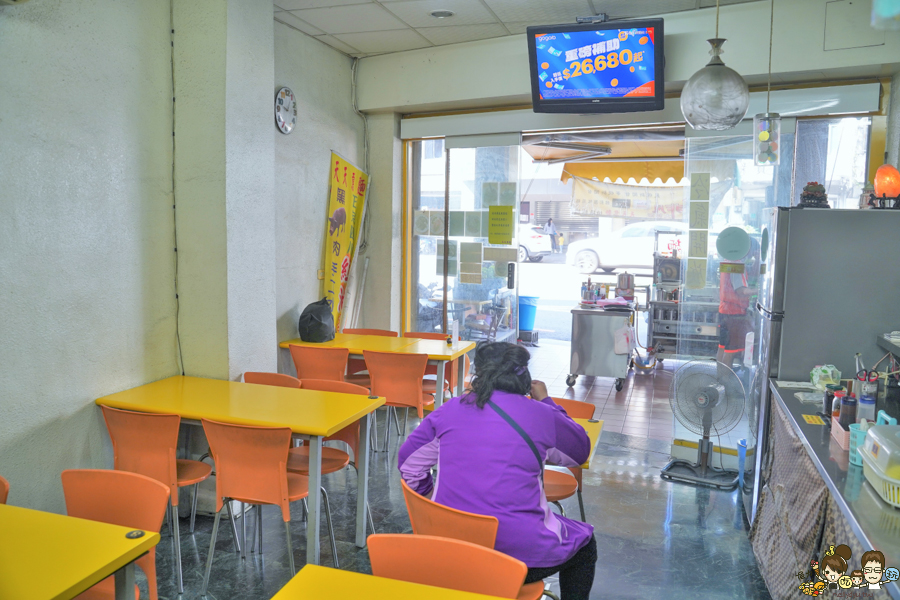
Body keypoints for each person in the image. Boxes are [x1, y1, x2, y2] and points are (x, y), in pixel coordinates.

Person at [398, 342, 596, 600]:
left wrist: (432, 498)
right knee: (585, 546)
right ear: (524, 376)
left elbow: (408, 465)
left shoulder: (449, 410)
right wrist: (547, 401)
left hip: (448, 550)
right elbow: (579, 452)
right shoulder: (542, 415)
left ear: (478, 375)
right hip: (519, 556)